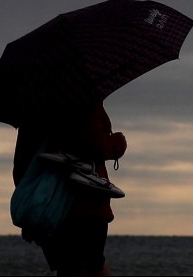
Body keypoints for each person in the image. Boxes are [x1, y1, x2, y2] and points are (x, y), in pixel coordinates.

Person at [12, 100, 127, 276]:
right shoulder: (83, 98)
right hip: (85, 206)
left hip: (47, 210)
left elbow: (22, 166)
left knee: (70, 267)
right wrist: (117, 143)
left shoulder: (33, 107)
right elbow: (94, 144)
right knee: (90, 266)